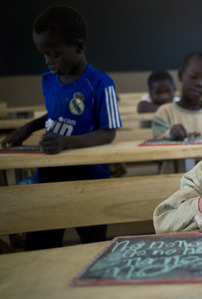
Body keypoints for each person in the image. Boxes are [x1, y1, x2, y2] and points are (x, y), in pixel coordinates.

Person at [0, 5, 122, 250]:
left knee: (93, 245)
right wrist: (30, 127)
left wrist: (67, 142)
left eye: (54, 54)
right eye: (43, 54)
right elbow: (58, 114)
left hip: (89, 179)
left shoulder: (100, 83)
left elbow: (109, 132)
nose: (48, 60)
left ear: (78, 47)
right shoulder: (48, 78)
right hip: (50, 174)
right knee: (41, 244)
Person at [152, 52, 202, 147]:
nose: (199, 83)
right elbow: (157, 149)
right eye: (194, 77)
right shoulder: (165, 112)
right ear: (180, 75)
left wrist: (197, 145)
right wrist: (171, 134)